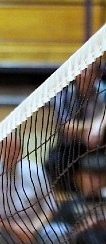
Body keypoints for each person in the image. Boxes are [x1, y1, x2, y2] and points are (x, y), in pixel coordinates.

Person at [46, 58, 106, 192]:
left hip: (96, 145)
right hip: (69, 147)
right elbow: (66, 127)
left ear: (96, 75)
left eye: (89, 72)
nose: (84, 75)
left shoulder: (103, 90)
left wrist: (100, 126)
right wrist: (93, 126)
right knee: (54, 164)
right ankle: (72, 195)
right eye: (81, 71)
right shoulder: (62, 92)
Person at [53, 151, 106, 244]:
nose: (95, 182)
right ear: (80, 177)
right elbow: (57, 233)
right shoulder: (70, 205)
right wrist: (83, 227)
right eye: (90, 177)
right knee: (89, 233)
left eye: (99, 177)